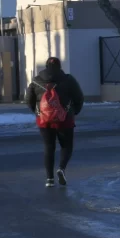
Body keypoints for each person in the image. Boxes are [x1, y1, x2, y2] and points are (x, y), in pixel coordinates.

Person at [27, 57, 84, 188]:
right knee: (66, 146)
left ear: (46, 66)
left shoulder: (36, 81)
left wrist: (37, 112)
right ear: (60, 66)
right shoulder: (69, 80)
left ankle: (49, 179)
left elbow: (28, 99)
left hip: (44, 120)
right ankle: (61, 169)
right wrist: (74, 112)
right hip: (64, 119)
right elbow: (79, 97)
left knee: (49, 147)